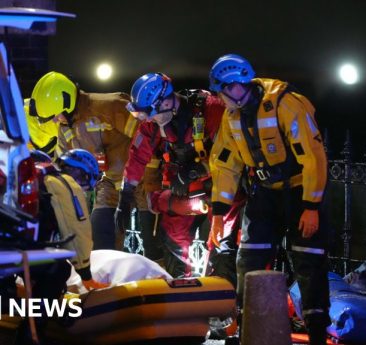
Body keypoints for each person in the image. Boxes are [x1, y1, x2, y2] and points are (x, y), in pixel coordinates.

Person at [208, 54, 330, 345]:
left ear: (235, 86)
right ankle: (247, 328)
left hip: (300, 192)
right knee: (248, 258)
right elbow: (225, 164)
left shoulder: (285, 104)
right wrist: (217, 213)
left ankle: (316, 333)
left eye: (221, 92)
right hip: (263, 193)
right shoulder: (232, 115)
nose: (219, 99)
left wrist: (311, 206)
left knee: (309, 262)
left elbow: (313, 158)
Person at [115, 73, 243, 282]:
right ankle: (180, 285)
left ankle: (223, 296)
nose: (147, 119)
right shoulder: (152, 124)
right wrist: (126, 194)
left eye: (150, 113)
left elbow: (231, 153)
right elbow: (137, 156)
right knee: (172, 230)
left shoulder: (212, 110)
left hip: (220, 183)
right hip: (183, 187)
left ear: (166, 101)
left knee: (222, 238)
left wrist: (196, 171)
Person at [28, 71, 160, 254]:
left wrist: (152, 179)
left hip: (142, 180)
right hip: (108, 185)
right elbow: (64, 167)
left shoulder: (110, 106)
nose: (56, 120)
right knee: (101, 241)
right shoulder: (66, 127)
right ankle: (109, 281)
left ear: (66, 102)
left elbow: (149, 137)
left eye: (56, 115)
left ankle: (160, 278)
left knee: (153, 242)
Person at [32, 149, 108, 291]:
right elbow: (77, 229)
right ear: (80, 172)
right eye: (84, 184)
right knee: (58, 269)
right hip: (14, 248)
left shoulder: (33, 176)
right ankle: (43, 311)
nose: (81, 189)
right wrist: (85, 274)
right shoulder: (63, 183)